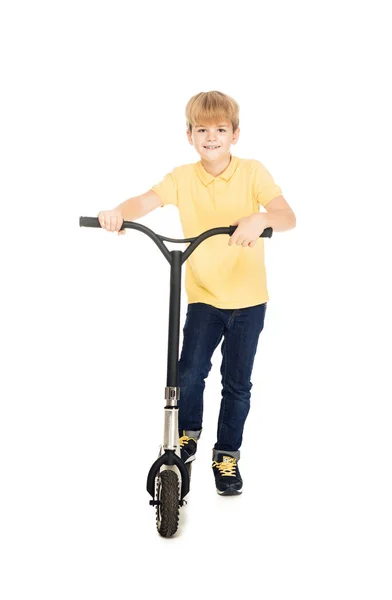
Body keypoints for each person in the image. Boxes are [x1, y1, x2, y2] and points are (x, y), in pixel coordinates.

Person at [97, 90, 296, 496]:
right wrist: (118, 213)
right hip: (204, 297)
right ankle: (187, 434)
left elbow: (287, 216)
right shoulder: (182, 178)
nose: (211, 137)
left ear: (235, 134)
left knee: (236, 383)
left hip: (249, 301)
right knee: (188, 372)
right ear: (189, 135)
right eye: (202, 129)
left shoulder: (252, 172)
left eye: (220, 129)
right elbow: (145, 201)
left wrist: (259, 219)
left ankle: (226, 455)